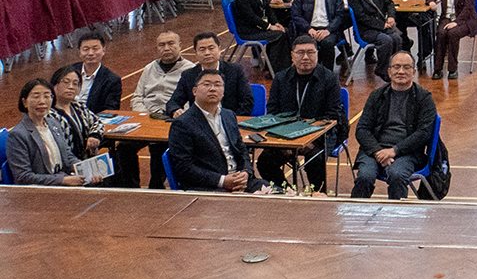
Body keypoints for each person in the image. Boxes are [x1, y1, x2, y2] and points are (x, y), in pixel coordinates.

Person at [256, 36, 346, 192]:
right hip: (285, 134)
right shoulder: (280, 78)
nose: (305, 57)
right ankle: (286, 191)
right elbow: (273, 112)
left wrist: (306, 139)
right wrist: (287, 140)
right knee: (265, 162)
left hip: (321, 134)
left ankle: (318, 194)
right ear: (292, 55)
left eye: (310, 52)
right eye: (300, 53)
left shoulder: (329, 78)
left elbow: (332, 115)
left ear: (317, 54)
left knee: (314, 159)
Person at [351, 52, 438, 200]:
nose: (401, 71)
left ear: (414, 72)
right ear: (389, 71)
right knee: (365, 176)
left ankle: (398, 214)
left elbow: (423, 133)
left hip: (407, 152)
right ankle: (355, 212)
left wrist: (394, 151)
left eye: (406, 67)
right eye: (396, 67)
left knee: (397, 175)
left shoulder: (424, 98)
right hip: (374, 150)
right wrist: (378, 151)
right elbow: (362, 129)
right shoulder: (376, 96)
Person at [166, 70, 266, 193]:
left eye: (218, 85)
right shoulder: (182, 124)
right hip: (208, 187)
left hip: (240, 182)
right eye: (207, 84)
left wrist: (246, 172)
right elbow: (184, 168)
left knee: (278, 194)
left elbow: (241, 150)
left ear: (223, 92)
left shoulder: (229, 115)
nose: (212, 89)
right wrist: (222, 181)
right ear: (194, 91)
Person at [118, 30, 193, 188]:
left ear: (180, 45)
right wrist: (144, 114)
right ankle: (131, 187)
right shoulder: (149, 68)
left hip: (171, 120)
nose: (166, 48)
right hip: (146, 118)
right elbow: (137, 97)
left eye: (171, 44)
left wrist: (178, 114)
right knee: (124, 146)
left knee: (159, 147)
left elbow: (192, 102)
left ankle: (156, 186)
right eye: (162, 45)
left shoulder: (190, 70)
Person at [8, 79, 85, 186]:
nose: (42, 101)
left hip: (64, 180)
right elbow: (23, 177)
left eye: (47, 96)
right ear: (25, 102)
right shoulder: (18, 134)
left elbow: (67, 156)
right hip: (42, 189)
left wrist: (85, 168)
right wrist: (62, 180)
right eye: (36, 97)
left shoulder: (53, 123)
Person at [168, 32, 257, 118]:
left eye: (211, 48)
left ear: (219, 49)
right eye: (202, 49)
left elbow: (247, 102)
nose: (207, 53)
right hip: (200, 122)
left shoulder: (235, 70)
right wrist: (175, 110)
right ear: (196, 53)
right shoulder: (188, 75)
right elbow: (173, 102)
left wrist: (230, 119)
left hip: (230, 120)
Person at [230, 0, 292, 73]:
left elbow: (268, 9)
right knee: (279, 35)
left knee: (285, 31)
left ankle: (278, 67)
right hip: (249, 30)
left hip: (259, 26)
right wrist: (269, 26)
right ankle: (275, 70)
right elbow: (250, 17)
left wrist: (276, 23)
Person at [291, 0, 350, 74]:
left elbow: (339, 15)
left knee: (327, 43)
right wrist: (309, 29)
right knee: (306, 44)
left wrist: (328, 30)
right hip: (308, 29)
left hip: (329, 30)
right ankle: (307, 74)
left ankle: (327, 75)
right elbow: (296, 14)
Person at [427, 0, 477, 80]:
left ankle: (452, 69)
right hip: (447, 18)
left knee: (453, 33)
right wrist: (431, 2)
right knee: (441, 33)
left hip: (466, 19)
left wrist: (456, 22)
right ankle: (437, 69)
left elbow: (468, 8)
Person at [350, 0, 401, 82]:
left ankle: (394, 67)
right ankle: (382, 69)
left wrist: (391, 16)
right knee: (386, 40)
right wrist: (382, 25)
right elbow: (361, 17)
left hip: (380, 27)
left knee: (397, 38)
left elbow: (390, 3)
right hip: (365, 30)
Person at [46, 67, 104, 164]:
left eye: (75, 84)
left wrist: (94, 135)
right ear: (54, 85)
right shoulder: (48, 114)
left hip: (86, 161)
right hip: (65, 164)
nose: (71, 87)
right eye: (66, 82)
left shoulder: (79, 107)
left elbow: (97, 122)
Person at [66, 32, 121, 113]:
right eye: (86, 49)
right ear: (79, 52)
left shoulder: (112, 80)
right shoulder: (67, 72)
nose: (90, 53)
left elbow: (110, 111)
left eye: (95, 49)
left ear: (103, 50)